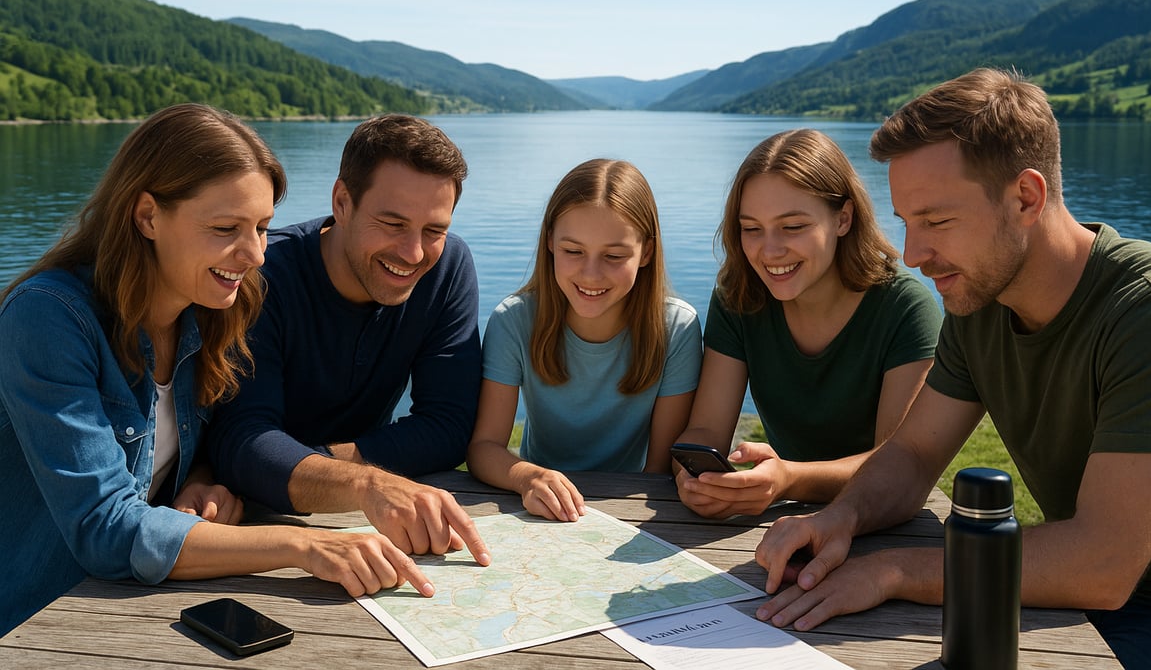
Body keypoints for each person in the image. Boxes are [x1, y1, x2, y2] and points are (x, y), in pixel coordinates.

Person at [754, 69, 1151, 670]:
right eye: (906, 223)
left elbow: (1102, 562)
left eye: (936, 222)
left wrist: (894, 569)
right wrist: (840, 519)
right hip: (1078, 602)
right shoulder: (981, 303)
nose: (912, 256)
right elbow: (912, 455)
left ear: (1026, 198)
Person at [0, 104, 439, 637]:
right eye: (226, 227)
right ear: (147, 217)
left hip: (121, 612)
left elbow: (195, 441)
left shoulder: (214, 309)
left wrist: (204, 479)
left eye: (262, 227)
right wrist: (302, 545)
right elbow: (103, 527)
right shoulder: (48, 317)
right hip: (31, 623)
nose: (255, 254)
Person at [206, 114, 490, 564]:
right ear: (342, 201)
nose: (414, 253)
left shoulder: (447, 268)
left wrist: (307, 467)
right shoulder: (262, 277)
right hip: (254, 528)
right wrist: (366, 481)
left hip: (357, 522)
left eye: (434, 230)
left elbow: (449, 426)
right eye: (393, 223)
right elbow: (243, 440)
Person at [673, 129, 941, 517]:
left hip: (888, 519)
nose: (770, 250)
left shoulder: (905, 309)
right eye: (751, 228)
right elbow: (706, 432)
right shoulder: (738, 298)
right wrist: (693, 473)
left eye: (793, 226)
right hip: (786, 515)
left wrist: (788, 478)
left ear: (843, 219)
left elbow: (897, 465)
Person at [466, 158, 702, 521]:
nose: (591, 274)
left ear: (647, 252)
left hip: (632, 505)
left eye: (614, 255)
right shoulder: (513, 321)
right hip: (540, 504)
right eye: (573, 251)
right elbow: (484, 447)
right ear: (549, 241)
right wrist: (527, 477)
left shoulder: (676, 328)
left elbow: (659, 469)